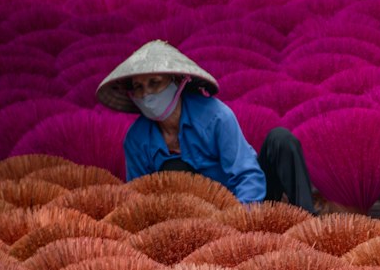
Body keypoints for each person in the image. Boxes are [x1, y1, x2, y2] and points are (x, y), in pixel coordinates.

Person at [96, 40, 315, 212]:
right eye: (139, 87)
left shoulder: (216, 117)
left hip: (247, 203)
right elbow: (138, 194)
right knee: (174, 171)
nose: (147, 94)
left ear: (177, 82)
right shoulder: (136, 139)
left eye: (154, 82)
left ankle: (309, 225)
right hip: (191, 218)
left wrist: (238, 220)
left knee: (281, 140)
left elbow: (247, 175)